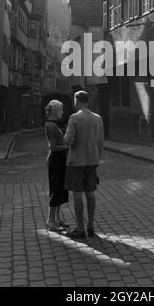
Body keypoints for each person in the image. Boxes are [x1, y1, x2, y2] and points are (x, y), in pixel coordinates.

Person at [63, 90, 104, 240]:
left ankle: (80, 229)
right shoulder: (98, 118)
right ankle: (91, 227)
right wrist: (97, 159)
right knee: (90, 193)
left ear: (77, 100)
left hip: (76, 161)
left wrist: (64, 136)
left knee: (78, 195)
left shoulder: (74, 118)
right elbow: (101, 142)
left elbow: (67, 140)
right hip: (92, 161)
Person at [44, 100, 70, 233]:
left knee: (60, 189)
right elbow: (53, 147)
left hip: (60, 159)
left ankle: (57, 219)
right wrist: (68, 146)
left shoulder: (54, 124)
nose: (62, 112)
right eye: (61, 109)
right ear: (55, 110)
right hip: (55, 160)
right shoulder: (51, 125)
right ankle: (50, 221)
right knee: (55, 189)